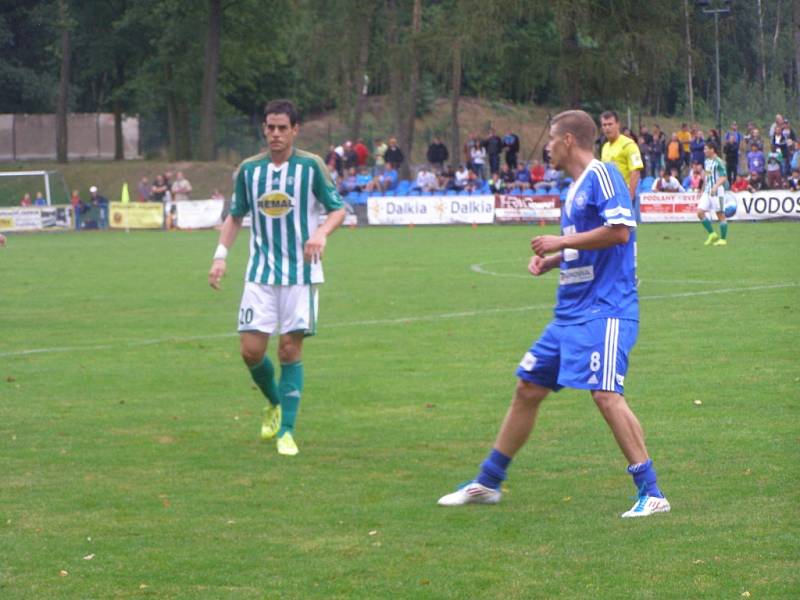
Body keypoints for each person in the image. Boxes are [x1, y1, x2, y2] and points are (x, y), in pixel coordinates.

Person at [437, 109, 669, 518]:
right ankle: (488, 483)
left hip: (606, 309)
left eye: (551, 138)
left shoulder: (603, 175)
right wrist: (555, 259)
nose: (546, 146)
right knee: (528, 387)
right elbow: (588, 245)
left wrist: (559, 242)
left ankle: (651, 492)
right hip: (570, 314)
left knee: (605, 393)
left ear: (567, 141)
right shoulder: (575, 188)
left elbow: (620, 231)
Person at [208, 99, 346, 457]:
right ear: (264, 129)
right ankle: (274, 402)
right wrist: (220, 257)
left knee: (288, 349)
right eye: (270, 127)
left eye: (283, 127)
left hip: (300, 273)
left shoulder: (311, 166)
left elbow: (337, 209)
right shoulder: (249, 171)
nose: (275, 134)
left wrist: (321, 234)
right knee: (251, 352)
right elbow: (235, 216)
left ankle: (287, 431)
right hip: (261, 274)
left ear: (295, 130)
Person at [600, 110, 643, 221]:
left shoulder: (628, 145)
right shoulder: (605, 147)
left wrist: (629, 197)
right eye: (604, 125)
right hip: (608, 197)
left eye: (610, 124)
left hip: (622, 195)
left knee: (624, 233)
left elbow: (636, 171)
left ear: (617, 125)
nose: (607, 128)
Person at [697, 141, 730, 246]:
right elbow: (707, 176)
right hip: (707, 191)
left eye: (706, 149)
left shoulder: (718, 162)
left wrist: (715, 186)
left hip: (717, 191)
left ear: (712, 150)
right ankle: (712, 234)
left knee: (720, 214)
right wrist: (702, 188)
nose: (704, 151)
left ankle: (723, 239)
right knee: (700, 212)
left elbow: (724, 177)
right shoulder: (707, 161)